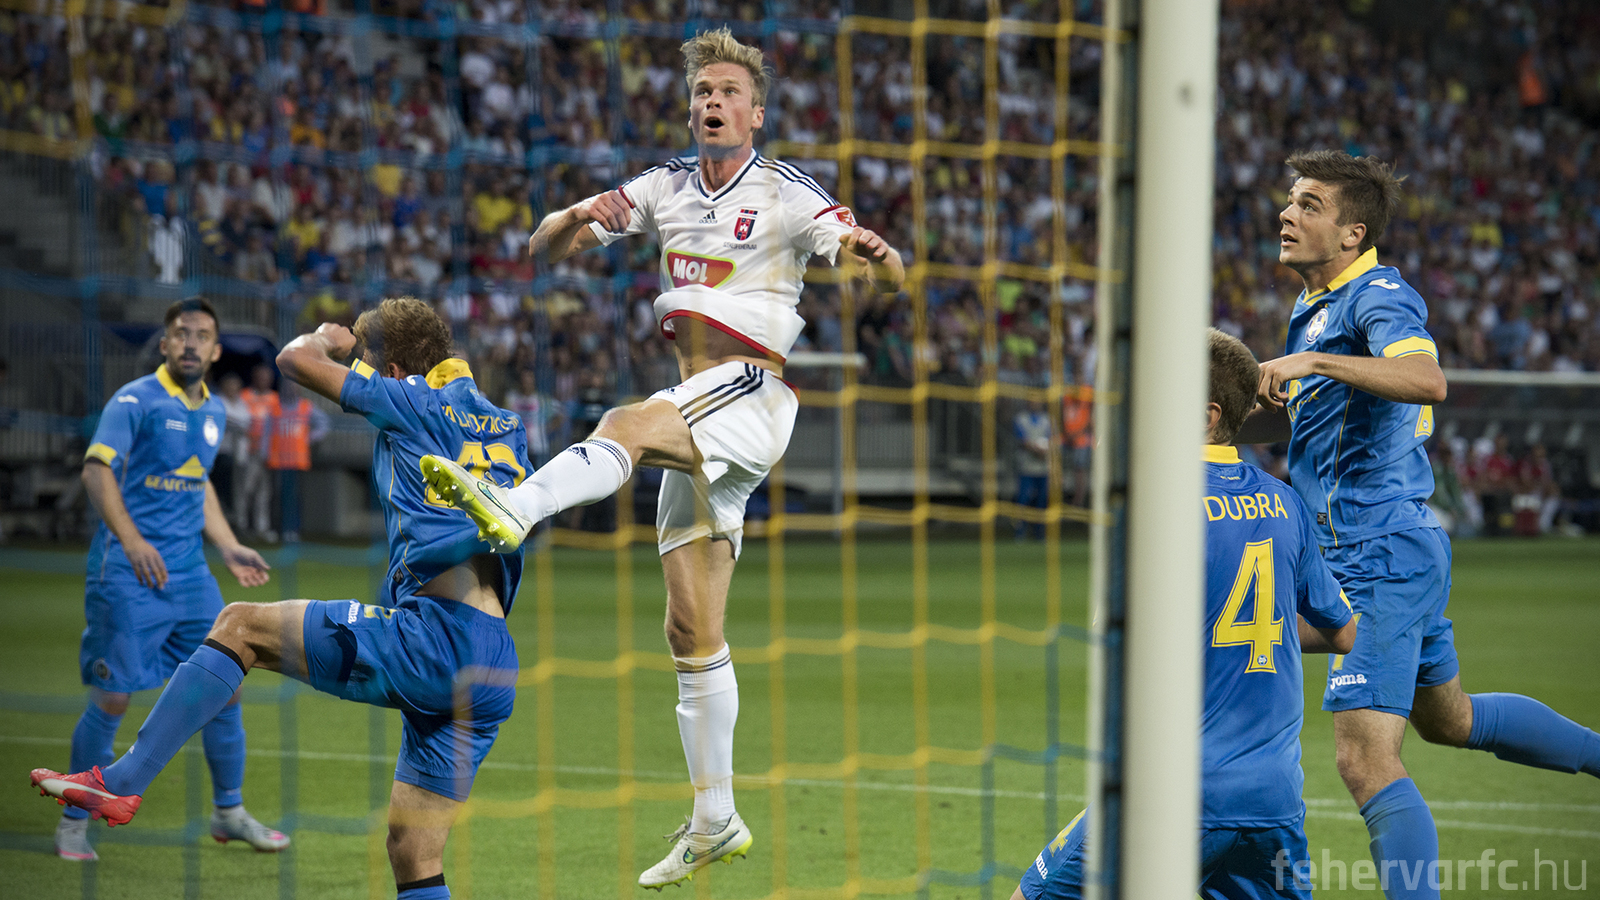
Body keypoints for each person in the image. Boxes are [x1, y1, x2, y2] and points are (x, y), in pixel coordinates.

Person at [420, 26, 905, 890]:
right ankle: (716, 818)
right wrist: (576, 217)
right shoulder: (663, 186)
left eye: (728, 92)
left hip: (749, 391)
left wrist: (880, 257)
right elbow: (542, 248)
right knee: (690, 627)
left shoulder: (787, 191)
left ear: (757, 113)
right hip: (699, 417)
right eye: (702, 92)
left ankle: (515, 509)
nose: (712, 102)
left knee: (625, 421)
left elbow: (877, 266)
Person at [32, 297, 529, 900]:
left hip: (434, 640)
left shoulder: (409, 398)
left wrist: (329, 341)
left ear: (394, 370)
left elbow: (294, 359)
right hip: (493, 662)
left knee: (239, 625)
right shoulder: (507, 424)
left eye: (372, 363)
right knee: (413, 851)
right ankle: (217, 806)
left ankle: (122, 781)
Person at [1244, 149, 1600, 899]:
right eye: (1291, 199)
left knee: (1364, 760)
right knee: (1452, 720)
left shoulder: (1377, 295)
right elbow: (1311, 423)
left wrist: (1315, 363)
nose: (1287, 213)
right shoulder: (1316, 307)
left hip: (1376, 552)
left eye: (1309, 204)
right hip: (1378, 549)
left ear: (1353, 233)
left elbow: (1425, 378)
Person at [1015, 329, 1356, 900]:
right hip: (1271, 799)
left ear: (1205, 415)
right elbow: (1342, 633)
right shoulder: (1286, 502)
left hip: (1178, 793)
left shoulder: (1157, 503)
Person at [52, 297, 282, 861]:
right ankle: (74, 821)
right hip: (127, 575)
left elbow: (197, 483)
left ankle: (228, 812)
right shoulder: (135, 400)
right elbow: (96, 470)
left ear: (216, 350)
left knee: (225, 687)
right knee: (113, 697)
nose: (189, 343)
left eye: (201, 335)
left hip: (191, 577)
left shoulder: (214, 411)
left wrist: (227, 545)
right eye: (180, 333)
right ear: (164, 343)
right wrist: (133, 541)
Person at [239, 365, 279, 540]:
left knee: (264, 493)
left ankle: (262, 529)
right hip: (247, 451)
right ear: (254, 378)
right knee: (245, 490)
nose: (264, 380)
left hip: (269, 453)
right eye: (260, 377)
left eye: (267, 377)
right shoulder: (244, 396)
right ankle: (241, 527)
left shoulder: (275, 398)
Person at [1012, 398, 1051, 539]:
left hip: (1043, 467)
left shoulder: (1047, 420)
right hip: (1026, 466)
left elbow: (1052, 439)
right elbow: (1022, 439)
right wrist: (1036, 450)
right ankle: (1020, 532)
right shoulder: (1020, 419)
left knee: (1042, 500)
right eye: (1032, 400)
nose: (1035, 403)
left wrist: (1045, 451)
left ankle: (1040, 533)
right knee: (1023, 499)